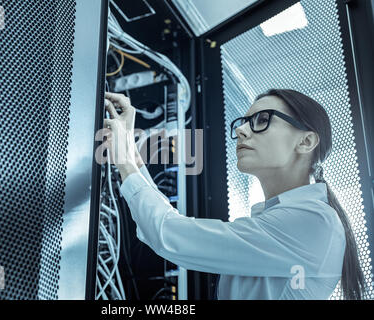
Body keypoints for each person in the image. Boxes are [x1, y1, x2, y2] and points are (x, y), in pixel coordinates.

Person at [102, 89, 365, 300]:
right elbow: (165, 231)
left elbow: (168, 235)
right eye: (244, 122)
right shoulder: (288, 219)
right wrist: (130, 155)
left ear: (305, 142)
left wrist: (126, 159)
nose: (241, 130)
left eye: (262, 120)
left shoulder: (315, 221)